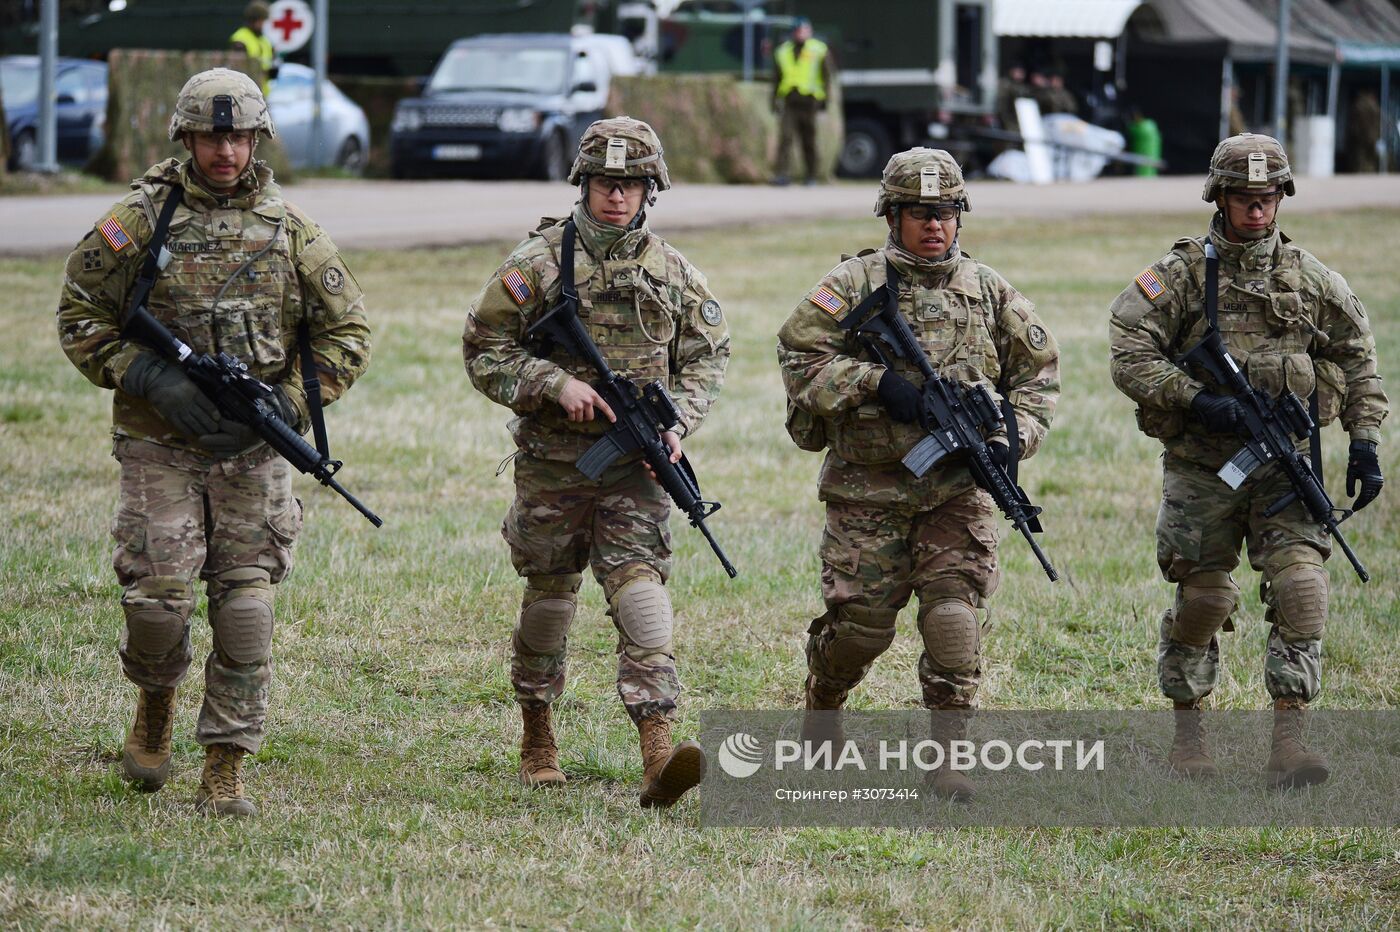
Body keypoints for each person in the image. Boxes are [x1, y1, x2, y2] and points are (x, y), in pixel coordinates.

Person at [56, 69, 372, 815]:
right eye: (209, 135)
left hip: (252, 451)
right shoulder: (140, 221)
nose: (224, 150)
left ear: (257, 139)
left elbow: (348, 333)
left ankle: (224, 765)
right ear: (185, 137)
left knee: (245, 610)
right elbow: (80, 314)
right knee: (158, 605)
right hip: (159, 446)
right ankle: (156, 702)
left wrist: (290, 405)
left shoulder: (292, 231)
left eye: (237, 136)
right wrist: (149, 379)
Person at [776, 148, 1060, 800]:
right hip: (866, 487)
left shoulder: (990, 292)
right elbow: (800, 358)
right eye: (919, 213)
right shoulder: (853, 285)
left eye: (946, 212)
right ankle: (824, 699)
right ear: (892, 215)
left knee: (954, 618)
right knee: (861, 630)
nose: (934, 226)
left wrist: (1010, 439)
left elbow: (1037, 380)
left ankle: (949, 757)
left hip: (956, 491)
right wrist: (876, 383)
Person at [463, 117, 730, 808]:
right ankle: (538, 736)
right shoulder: (540, 263)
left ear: (651, 190)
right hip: (553, 468)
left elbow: (707, 358)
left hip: (633, 470)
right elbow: (483, 348)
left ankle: (659, 754)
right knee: (550, 601)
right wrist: (555, 385)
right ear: (585, 184)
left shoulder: (672, 272)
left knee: (642, 598)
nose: (618, 197)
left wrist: (678, 424)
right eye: (607, 184)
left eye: (632, 184)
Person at [1108, 134, 1386, 787]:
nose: (1256, 211)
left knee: (1303, 590)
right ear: (1219, 197)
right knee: (1204, 597)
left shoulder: (1312, 279)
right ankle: (1189, 734)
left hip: (1285, 466)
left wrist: (1365, 442)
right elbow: (1128, 349)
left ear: (1281, 198)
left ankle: (1289, 741)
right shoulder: (1180, 276)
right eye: (1243, 199)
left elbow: (1358, 360)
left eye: (1266, 199)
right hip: (1205, 467)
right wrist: (1196, 399)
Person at [770, 17, 832, 186]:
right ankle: (782, 174)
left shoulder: (818, 49)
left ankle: (811, 175)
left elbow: (827, 77)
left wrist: (826, 100)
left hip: (810, 101)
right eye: (798, 31)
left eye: (803, 30)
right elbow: (776, 78)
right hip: (790, 100)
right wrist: (774, 100)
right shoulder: (783, 51)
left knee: (809, 140)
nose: (800, 34)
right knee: (786, 138)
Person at [231, 1, 275, 93]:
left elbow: (268, 63)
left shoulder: (264, 40)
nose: (263, 24)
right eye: (262, 21)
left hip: (262, 92)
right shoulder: (240, 39)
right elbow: (238, 70)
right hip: (247, 93)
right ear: (254, 20)